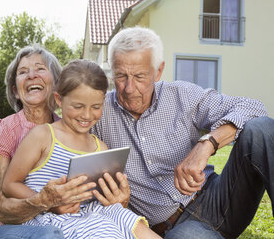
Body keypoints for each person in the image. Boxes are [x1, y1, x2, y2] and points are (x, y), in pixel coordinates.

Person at [90, 27, 274, 239]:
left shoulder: (181, 95)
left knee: (261, 130)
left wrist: (207, 144)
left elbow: (254, 108)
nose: (129, 88)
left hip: (219, 197)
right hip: (178, 229)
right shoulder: (98, 112)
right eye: (121, 76)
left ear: (158, 71)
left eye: (140, 76)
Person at [2, 59, 161, 239]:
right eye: (78, 106)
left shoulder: (100, 147)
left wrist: (117, 197)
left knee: (131, 222)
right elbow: (9, 184)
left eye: (96, 107)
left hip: (91, 213)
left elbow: (104, 198)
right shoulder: (43, 136)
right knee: (103, 232)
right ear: (59, 99)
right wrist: (49, 202)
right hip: (50, 218)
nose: (87, 115)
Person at [0, 45, 85, 239]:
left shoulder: (70, 130)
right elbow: (3, 210)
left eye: (40, 68)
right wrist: (46, 202)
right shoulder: (2, 131)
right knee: (50, 235)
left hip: (62, 223)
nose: (31, 75)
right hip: (4, 228)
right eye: (23, 72)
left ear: (56, 86)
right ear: (15, 91)